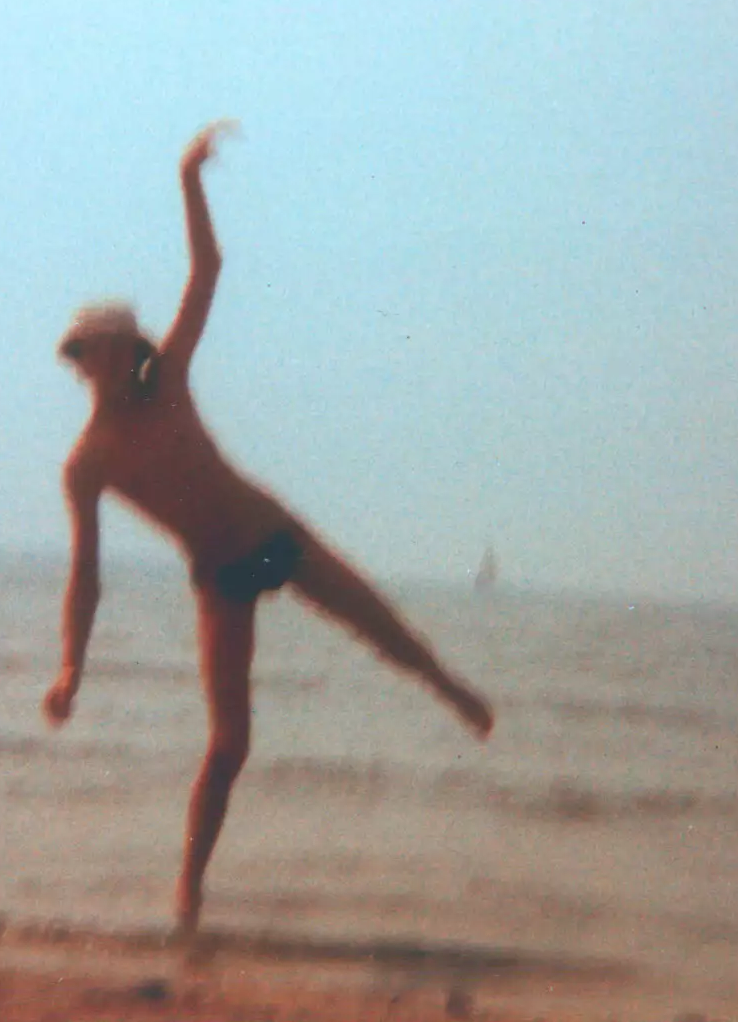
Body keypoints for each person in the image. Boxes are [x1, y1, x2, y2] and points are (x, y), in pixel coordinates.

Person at [44, 121, 495, 935]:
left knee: (382, 625)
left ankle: (448, 685)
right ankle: (189, 888)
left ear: (128, 347)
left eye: (110, 347)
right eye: (88, 353)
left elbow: (206, 274)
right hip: (219, 576)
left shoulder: (168, 377)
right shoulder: (90, 461)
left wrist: (189, 177)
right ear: (80, 361)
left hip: (273, 532)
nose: (101, 362)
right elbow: (86, 574)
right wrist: (71, 666)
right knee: (229, 746)